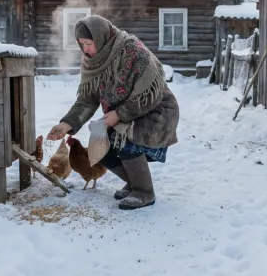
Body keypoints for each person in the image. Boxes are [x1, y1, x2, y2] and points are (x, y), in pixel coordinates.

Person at [46, 14, 179, 210]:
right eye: (81, 44)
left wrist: (119, 115)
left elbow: (153, 92)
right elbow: (87, 99)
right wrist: (67, 124)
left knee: (123, 140)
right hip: (122, 113)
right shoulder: (92, 61)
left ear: (101, 38)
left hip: (155, 110)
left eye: (89, 43)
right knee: (98, 144)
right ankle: (134, 183)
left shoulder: (132, 51)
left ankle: (144, 193)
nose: (86, 49)